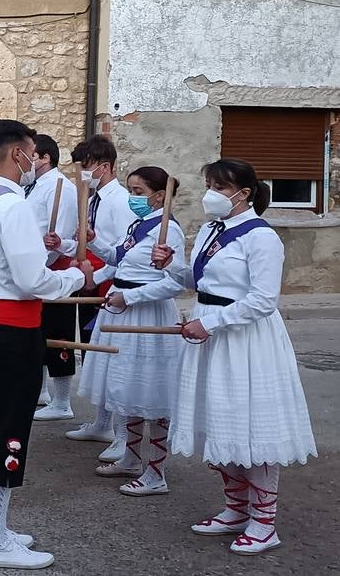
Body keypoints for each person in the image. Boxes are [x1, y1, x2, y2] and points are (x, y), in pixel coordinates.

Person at [109, 158, 316, 554]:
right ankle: (236, 509)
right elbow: (200, 282)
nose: (212, 195)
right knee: (220, 423)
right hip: (209, 331)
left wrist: (212, 323)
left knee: (250, 428)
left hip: (244, 340)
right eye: (210, 185)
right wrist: (173, 266)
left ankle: (264, 521)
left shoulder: (261, 237)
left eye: (220, 188)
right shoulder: (210, 229)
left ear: (245, 193)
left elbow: (263, 300)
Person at [0, 119, 90, 570]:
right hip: (10, 332)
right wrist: (76, 273)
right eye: (31, 152)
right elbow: (34, 280)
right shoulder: (12, 206)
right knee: (4, 431)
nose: (34, 161)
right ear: (18, 154)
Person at [77, 166, 186, 495]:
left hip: (147, 317)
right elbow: (119, 261)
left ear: (159, 196)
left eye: (138, 192)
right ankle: (131, 457)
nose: (133, 198)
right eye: (131, 190)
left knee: (150, 392)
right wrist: (93, 253)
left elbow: (173, 284)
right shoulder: (138, 225)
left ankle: (156, 472)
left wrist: (132, 297)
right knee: (127, 391)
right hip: (122, 312)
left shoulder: (170, 232)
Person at [64, 135, 131, 463]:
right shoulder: (92, 199)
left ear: (104, 167)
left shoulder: (120, 202)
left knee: (114, 361)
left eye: (86, 168)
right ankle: (101, 422)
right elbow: (88, 242)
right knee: (96, 357)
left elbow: (125, 250)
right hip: (91, 282)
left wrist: (105, 278)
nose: (82, 176)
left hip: (110, 286)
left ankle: (122, 434)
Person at [23, 135, 80, 422]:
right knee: (39, 333)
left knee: (59, 335)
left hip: (53, 269)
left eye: (31, 155)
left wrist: (42, 265)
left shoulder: (62, 188)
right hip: (37, 268)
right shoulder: (33, 187)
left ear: (44, 158)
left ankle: (62, 400)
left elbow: (61, 235)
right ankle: (42, 392)